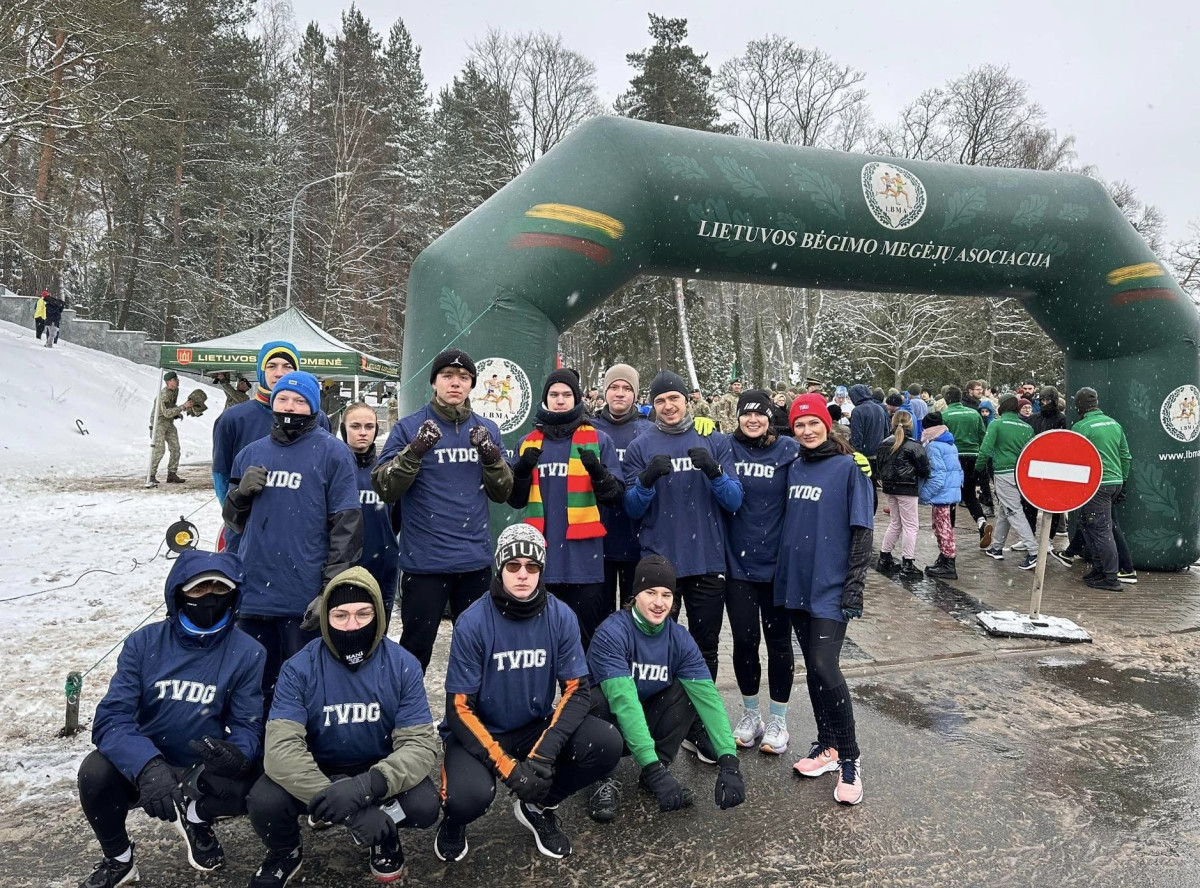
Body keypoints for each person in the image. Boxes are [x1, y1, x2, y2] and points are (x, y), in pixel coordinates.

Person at [77, 550, 264, 888]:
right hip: (146, 760)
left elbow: (248, 722)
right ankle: (119, 859)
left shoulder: (248, 652)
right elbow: (111, 717)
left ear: (234, 595)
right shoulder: (143, 643)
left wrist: (237, 753)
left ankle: (195, 816)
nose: (209, 599)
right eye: (198, 590)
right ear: (178, 592)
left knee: (255, 779)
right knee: (95, 773)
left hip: (201, 765)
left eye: (219, 590)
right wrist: (147, 765)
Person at [436, 524, 622, 862]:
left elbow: (577, 690)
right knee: (469, 797)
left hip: (532, 726)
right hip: (481, 729)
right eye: (513, 565)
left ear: (541, 571)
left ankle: (537, 805)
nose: (523, 574)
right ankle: (453, 821)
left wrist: (542, 756)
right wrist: (509, 769)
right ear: (500, 567)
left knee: (606, 742)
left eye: (532, 567)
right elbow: (459, 710)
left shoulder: (560, 615)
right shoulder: (473, 621)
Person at [245, 568, 440, 887]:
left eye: (363, 614)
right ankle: (285, 851)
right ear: (326, 619)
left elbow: (419, 746)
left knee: (423, 805)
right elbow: (280, 751)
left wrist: (368, 786)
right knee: (264, 799)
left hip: (376, 771)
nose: (353, 625)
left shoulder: (403, 665)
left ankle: (383, 833)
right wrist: (348, 808)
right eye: (341, 615)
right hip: (318, 770)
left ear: (378, 615)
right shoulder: (298, 669)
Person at [622, 370, 744, 763]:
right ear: (652, 406)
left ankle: (699, 725)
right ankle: (664, 724)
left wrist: (714, 471)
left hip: (707, 560)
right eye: (660, 401)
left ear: (687, 400)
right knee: (658, 651)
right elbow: (631, 508)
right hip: (661, 565)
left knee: (705, 649)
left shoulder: (714, 438)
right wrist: (645, 481)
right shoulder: (642, 445)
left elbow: (734, 500)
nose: (668, 406)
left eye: (674, 398)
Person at [223, 371, 362, 714]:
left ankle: (304, 755)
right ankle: (256, 753)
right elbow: (234, 522)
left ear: (313, 406)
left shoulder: (333, 453)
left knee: (306, 685)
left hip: (303, 596)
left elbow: (346, 527)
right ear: (272, 400)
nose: (291, 406)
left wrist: (329, 590)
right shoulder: (251, 453)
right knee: (256, 687)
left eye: (300, 401)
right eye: (283, 399)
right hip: (254, 593)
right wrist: (240, 494)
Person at [372, 348, 513, 671]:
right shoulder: (409, 428)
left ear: (472, 385)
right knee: (415, 650)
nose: (455, 383)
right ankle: (407, 717)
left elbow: (503, 490)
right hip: (425, 565)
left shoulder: (486, 429)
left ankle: (468, 717)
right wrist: (415, 452)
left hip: (473, 562)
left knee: (477, 651)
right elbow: (384, 485)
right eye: (448, 376)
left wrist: (491, 456)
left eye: (463, 378)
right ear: (434, 382)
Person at [585, 555, 746, 823]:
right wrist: (650, 762)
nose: (659, 603)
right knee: (599, 700)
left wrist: (729, 761)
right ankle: (603, 779)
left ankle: (653, 776)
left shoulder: (679, 639)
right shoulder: (612, 632)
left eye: (666, 595)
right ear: (636, 594)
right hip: (605, 723)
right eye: (650, 593)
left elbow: (709, 699)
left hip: (643, 717)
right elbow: (624, 702)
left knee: (688, 691)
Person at [777, 394, 872, 806]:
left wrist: (854, 585)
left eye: (813, 423)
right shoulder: (794, 467)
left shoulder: (850, 469)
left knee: (824, 664)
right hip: (796, 583)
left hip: (831, 586)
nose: (807, 431)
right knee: (812, 670)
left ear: (827, 424)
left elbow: (862, 531)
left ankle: (850, 757)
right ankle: (827, 746)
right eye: (800, 425)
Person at [508, 369, 626, 649]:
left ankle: (583, 694)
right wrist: (522, 471)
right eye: (554, 394)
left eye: (566, 394)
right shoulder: (527, 443)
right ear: (545, 399)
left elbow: (615, 496)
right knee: (544, 643)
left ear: (576, 399)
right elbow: (514, 500)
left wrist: (598, 473)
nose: (560, 400)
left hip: (584, 564)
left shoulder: (599, 440)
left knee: (586, 642)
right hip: (541, 562)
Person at [723, 391, 799, 754]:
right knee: (744, 641)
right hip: (738, 565)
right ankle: (750, 713)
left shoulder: (787, 450)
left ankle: (779, 719)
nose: (753, 420)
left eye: (760, 415)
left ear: (771, 417)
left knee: (779, 643)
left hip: (776, 565)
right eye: (746, 414)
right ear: (737, 417)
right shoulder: (727, 448)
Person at [211, 340, 331, 513]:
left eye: (287, 366)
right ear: (261, 370)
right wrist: (236, 518)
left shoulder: (317, 418)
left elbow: (327, 473)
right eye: (272, 366)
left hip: (304, 522)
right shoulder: (233, 419)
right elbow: (221, 475)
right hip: (251, 523)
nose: (279, 373)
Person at [591, 363, 652, 611]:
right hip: (597, 538)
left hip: (637, 538)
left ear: (635, 395)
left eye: (626, 388)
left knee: (633, 617)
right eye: (613, 387)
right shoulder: (589, 429)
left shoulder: (649, 430)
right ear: (605, 392)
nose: (619, 393)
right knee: (599, 619)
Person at [1065, 387, 1132, 591]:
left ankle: (1110, 576)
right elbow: (1125, 456)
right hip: (1114, 482)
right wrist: (1122, 482)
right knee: (1088, 524)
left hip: (1096, 484)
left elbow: (1072, 459)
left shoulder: (1081, 427)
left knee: (1101, 530)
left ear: (1079, 406)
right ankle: (1099, 569)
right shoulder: (1114, 424)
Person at [340, 402, 400, 624]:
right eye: (355, 426)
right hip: (342, 566)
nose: (363, 432)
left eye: (369, 426)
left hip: (382, 564)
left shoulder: (385, 471)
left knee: (377, 630)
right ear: (344, 429)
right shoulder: (333, 468)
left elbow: (396, 519)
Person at [979, 394, 1037, 569]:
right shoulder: (1027, 427)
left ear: (1001, 407)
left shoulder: (996, 424)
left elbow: (985, 449)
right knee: (1006, 509)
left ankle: (1033, 551)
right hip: (1022, 474)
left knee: (1013, 511)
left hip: (1003, 472)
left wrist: (977, 469)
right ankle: (997, 547)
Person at [875, 410, 930, 577]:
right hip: (907, 487)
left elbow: (879, 464)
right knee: (911, 525)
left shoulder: (885, 443)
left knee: (895, 523)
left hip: (890, 487)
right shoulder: (914, 445)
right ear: (910, 425)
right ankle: (908, 562)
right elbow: (924, 469)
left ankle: (884, 557)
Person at [941, 385, 993, 546]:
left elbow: (942, 439)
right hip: (973, 456)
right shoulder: (974, 414)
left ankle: (949, 534)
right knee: (970, 495)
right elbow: (982, 436)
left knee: (951, 495)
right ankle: (981, 522)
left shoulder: (945, 415)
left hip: (954, 457)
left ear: (947, 399)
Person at [918, 411, 964, 580]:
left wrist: (924, 494)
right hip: (950, 491)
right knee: (942, 526)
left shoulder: (933, 446)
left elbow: (938, 475)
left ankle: (949, 563)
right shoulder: (950, 443)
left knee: (943, 528)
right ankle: (944, 559)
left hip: (941, 494)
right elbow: (958, 469)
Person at [149, 371, 194, 486]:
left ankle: (172, 474)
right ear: (168, 382)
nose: (177, 381)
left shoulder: (175, 390)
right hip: (158, 424)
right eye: (175, 379)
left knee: (175, 448)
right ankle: (151, 475)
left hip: (168, 423)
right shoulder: (163, 395)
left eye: (177, 379)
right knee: (159, 450)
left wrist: (178, 412)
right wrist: (182, 407)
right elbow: (166, 413)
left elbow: (171, 407)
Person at [848, 383, 888, 509]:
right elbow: (886, 430)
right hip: (878, 453)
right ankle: (872, 510)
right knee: (873, 486)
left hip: (864, 455)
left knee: (864, 486)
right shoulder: (879, 408)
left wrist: (855, 453)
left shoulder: (858, 411)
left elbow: (857, 436)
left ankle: (865, 511)